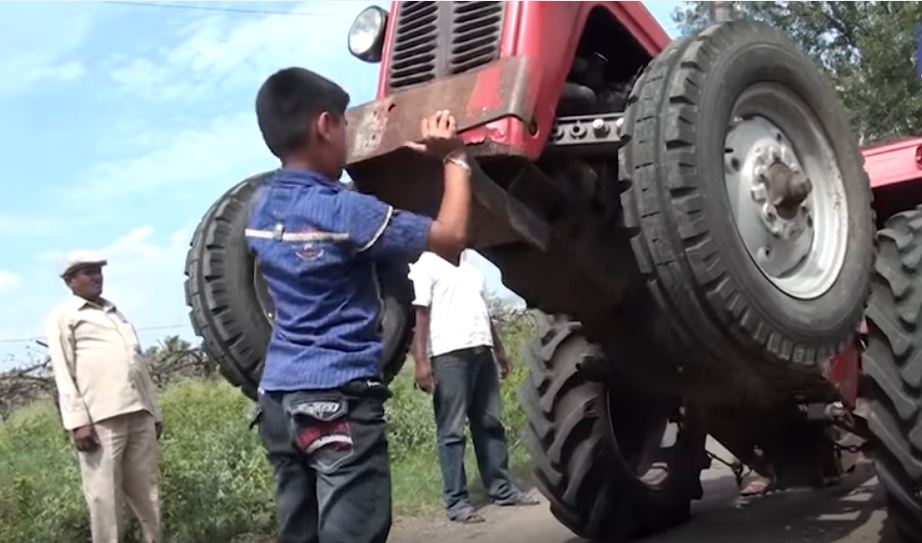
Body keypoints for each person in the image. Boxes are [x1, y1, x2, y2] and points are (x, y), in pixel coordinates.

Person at [247, 66, 471, 543]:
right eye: (346, 124)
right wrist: (453, 157)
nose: (350, 135)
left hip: (279, 402)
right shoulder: (348, 211)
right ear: (324, 125)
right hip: (338, 399)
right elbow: (451, 240)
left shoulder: (259, 210)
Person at [409, 249, 539, 523]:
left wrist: (499, 351)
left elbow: (484, 312)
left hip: (482, 351)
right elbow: (420, 315)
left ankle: (501, 489)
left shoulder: (471, 269)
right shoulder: (426, 264)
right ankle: (457, 502)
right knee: (452, 431)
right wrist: (421, 361)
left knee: (490, 422)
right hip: (449, 355)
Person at [45, 251, 163, 543]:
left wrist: (154, 412)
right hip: (100, 420)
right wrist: (78, 422)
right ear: (70, 281)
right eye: (87, 272)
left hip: (138, 411)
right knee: (104, 497)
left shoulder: (116, 313)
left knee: (148, 492)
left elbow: (137, 363)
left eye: (98, 270)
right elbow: (63, 371)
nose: (96, 276)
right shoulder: (64, 316)